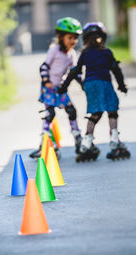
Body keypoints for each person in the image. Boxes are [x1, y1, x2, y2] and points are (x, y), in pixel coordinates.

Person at [58, 22, 130, 162]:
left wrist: (64, 87)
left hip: (90, 84)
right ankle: (114, 141)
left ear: (85, 39)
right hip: (104, 83)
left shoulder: (84, 53)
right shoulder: (106, 52)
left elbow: (75, 71)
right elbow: (116, 69)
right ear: (102, 38)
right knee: (112, 110)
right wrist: (122, 86)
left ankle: (86, 143)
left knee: (95, 113)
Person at [29, 17, 83, 159]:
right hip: (49, 88)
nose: (73, 41)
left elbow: (74, 73)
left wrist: (83, 84)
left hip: (60, 88)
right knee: (50, 115)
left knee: (72, 111)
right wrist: (46, 81)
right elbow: (44, 66)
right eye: (70, 37)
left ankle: (78, 139)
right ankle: (44, 145)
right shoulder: (54, 50)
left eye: (75, 38)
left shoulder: (72, 54)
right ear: (60, 36)